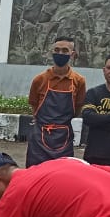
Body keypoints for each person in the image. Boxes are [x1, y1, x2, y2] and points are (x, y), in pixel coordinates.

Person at [26, 36, 85, 166]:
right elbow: (34, 104)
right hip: (40, 136)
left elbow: (78, 108)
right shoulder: (40, 79)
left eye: (65, 51)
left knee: (62, 174)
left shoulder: (79, 81)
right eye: (57, 50)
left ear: (72, 54)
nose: (60, 53)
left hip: (64, 135)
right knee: (35, 173)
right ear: (51, 52)